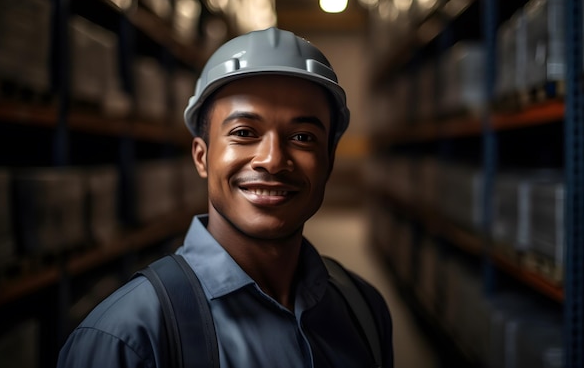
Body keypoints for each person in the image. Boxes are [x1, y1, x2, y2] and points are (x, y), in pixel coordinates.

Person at [57, 27, 394, 368]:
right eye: (244, 132)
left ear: (328, 161)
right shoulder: (127, 340)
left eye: (303, 136)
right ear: (202, 157)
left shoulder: (363, 309)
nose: (273, 160)